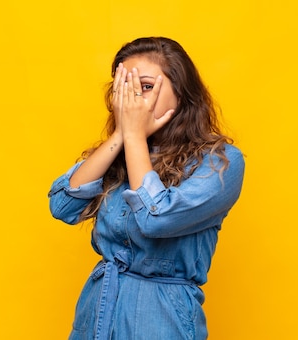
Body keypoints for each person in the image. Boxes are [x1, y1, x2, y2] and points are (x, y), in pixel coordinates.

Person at [48, 37, 245, 340]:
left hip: (161, 318)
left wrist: (135, 138)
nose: (133, 100)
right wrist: (121, 135)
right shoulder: (120, 155)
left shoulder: (220, 162)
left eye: (147, 86)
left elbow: (156, 218)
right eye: (123, 89)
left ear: (181, 90)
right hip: (97, 312)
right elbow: (62, 206)